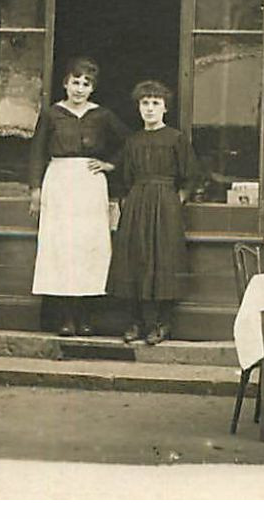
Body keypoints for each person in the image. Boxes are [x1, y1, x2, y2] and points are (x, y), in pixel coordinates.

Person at [28, 56, 128, 337]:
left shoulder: (102, 115)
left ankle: (85, 317)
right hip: (59, 181)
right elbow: (37, 152)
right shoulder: (51, 114)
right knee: (62, 249)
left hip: (89, 184)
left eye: (86, 84)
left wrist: (110, 164)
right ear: (65, 83)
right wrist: (35, 190)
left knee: (87, 249)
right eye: (75, 82)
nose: (79, 89)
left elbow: (130, 142)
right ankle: (65, 318)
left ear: (92, 88)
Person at [108, 79, 196, 345]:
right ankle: (135, 322)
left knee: (163, 259)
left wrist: (174, 201)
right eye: (145, 103)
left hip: (165, 203)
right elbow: (124, 176)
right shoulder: (133, 140)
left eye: (155, 104)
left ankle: (161, 323)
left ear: (165, 108)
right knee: (134, 257)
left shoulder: (176, 139)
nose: (149, 109)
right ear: (138, 107)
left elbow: (190, 176)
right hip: (137, 202)